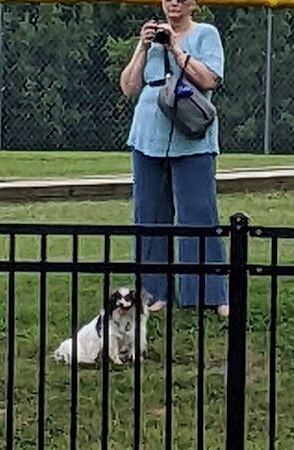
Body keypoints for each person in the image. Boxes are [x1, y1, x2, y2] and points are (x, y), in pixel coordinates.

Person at [119, 0, 228, 317]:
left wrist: (176, 48)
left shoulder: (205, 34)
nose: (174, 4)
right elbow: (128, 87)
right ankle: (153, 292)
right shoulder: (150, 40)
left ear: (193, 4)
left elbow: (209, 81)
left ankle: (207, 294)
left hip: (191, 137)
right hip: (148, 136)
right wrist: (142, 47)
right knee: (149, 214)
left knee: (199, 214)